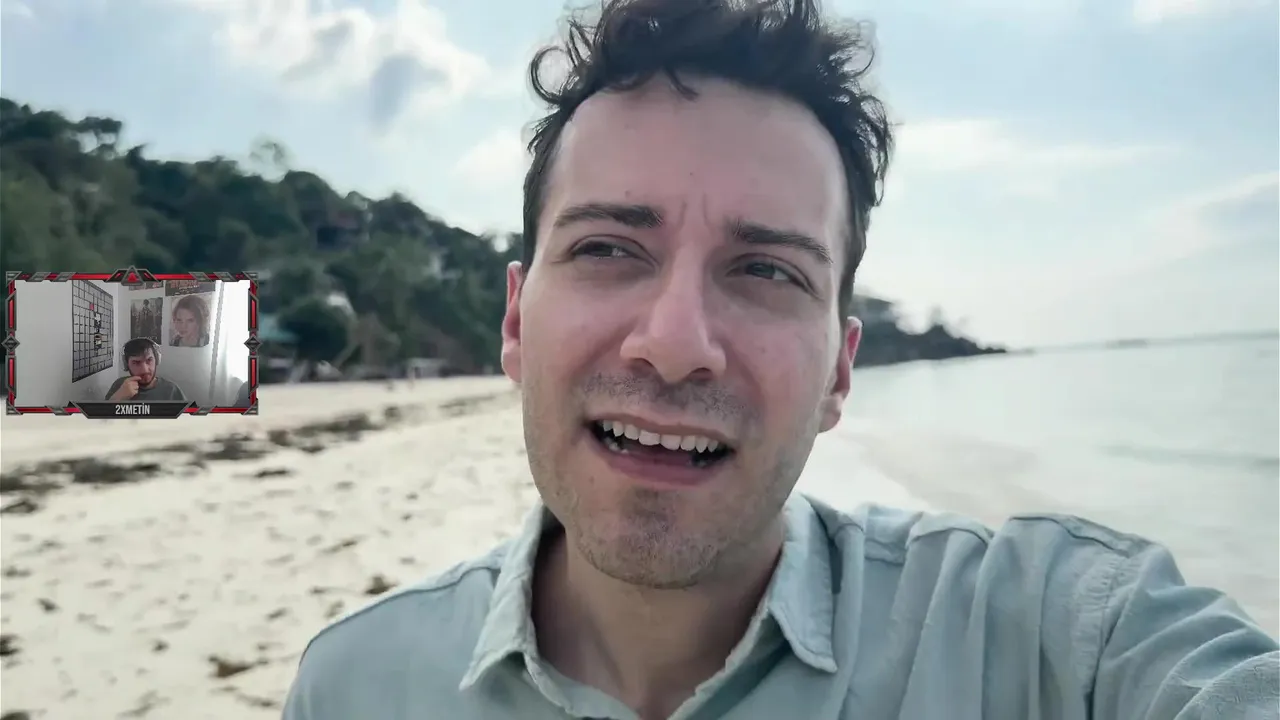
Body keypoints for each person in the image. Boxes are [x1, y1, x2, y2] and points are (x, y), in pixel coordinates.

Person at [283, 1, 1280, 718]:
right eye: (608, 249)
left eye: (765, 270)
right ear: (513, 322)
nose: (674, 343)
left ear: (840, 371)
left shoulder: (1043, 642)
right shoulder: (355, 687)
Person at [106, 338, 187, 402]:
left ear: (157, 360)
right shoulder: (119, 385)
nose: (144, 370)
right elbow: (103, 416)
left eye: (149, 360)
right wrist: (118, 398)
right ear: (127, 364)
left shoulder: (172, 390)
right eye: (136, 362)